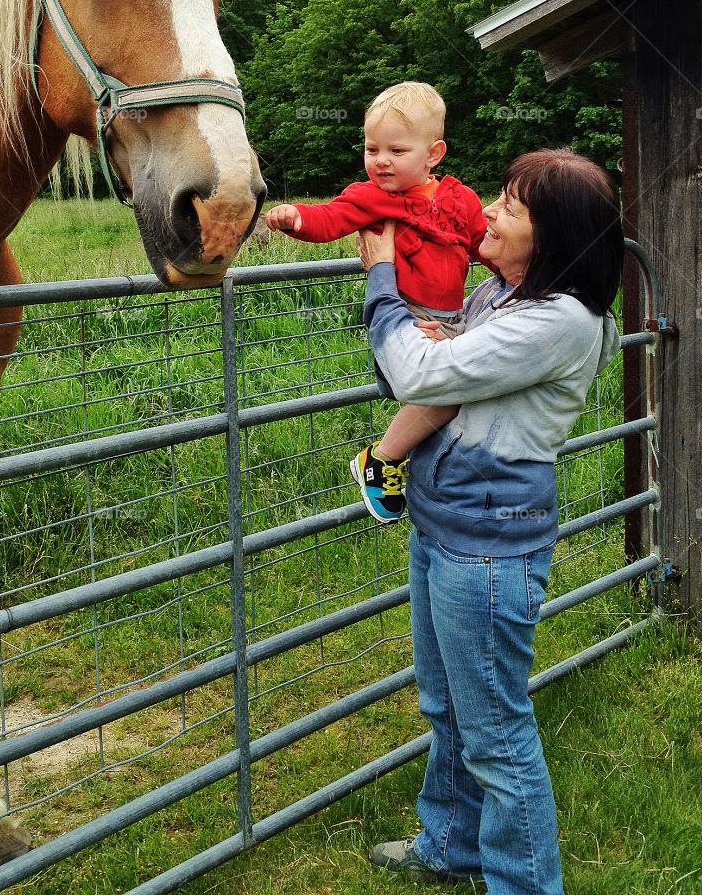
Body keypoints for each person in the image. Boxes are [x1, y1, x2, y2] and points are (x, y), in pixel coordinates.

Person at [357, 148, 624, 894]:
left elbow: (416, 375)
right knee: (448, 706)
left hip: (487, 547)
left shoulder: (557, 322)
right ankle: (450, 845)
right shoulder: (501, 296)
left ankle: (525, 884)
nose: (492, 212)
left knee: (497, 735)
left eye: (512, 205)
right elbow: (426, 371)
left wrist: (382, 277)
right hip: (444, 523)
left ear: (556, 236)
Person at [266, 82, 486, 523]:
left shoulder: (461, 200)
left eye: (396, 151)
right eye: (371, 148)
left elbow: (484, 245)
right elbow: (331, 218)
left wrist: (521, 268)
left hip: (455, 316)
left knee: (464, 400)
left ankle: (428, 475)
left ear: (433, 154)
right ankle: (381, 459)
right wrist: (296, 217)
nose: (380, 160)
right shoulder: (373, 198)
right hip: (404, 316)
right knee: (445, 396)